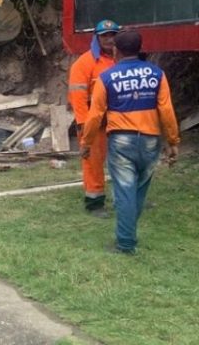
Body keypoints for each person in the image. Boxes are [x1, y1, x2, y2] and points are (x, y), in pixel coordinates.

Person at [80, 30, 179, 254]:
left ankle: (125, 243)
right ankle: (128, 235)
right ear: (139, 48)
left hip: (121, 141)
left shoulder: (107, 77)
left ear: (116, 50)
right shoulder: (157, 74)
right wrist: (173, 141)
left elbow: (95, 115)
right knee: (138, 191)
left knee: (125, 192)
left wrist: (86, 143)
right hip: (150, 141)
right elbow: (166, 110)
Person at [67, 19, 120, 217]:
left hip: (119, 121)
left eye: (113, 35)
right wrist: (84, 125)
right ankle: (95, 203)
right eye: (105, 36)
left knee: (123, 161)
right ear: (97, 38)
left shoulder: (122, 61)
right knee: (93, 163)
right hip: (94, 124)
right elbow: (77, 97)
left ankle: (125, 198)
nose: (109, 39)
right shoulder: (83, 64)